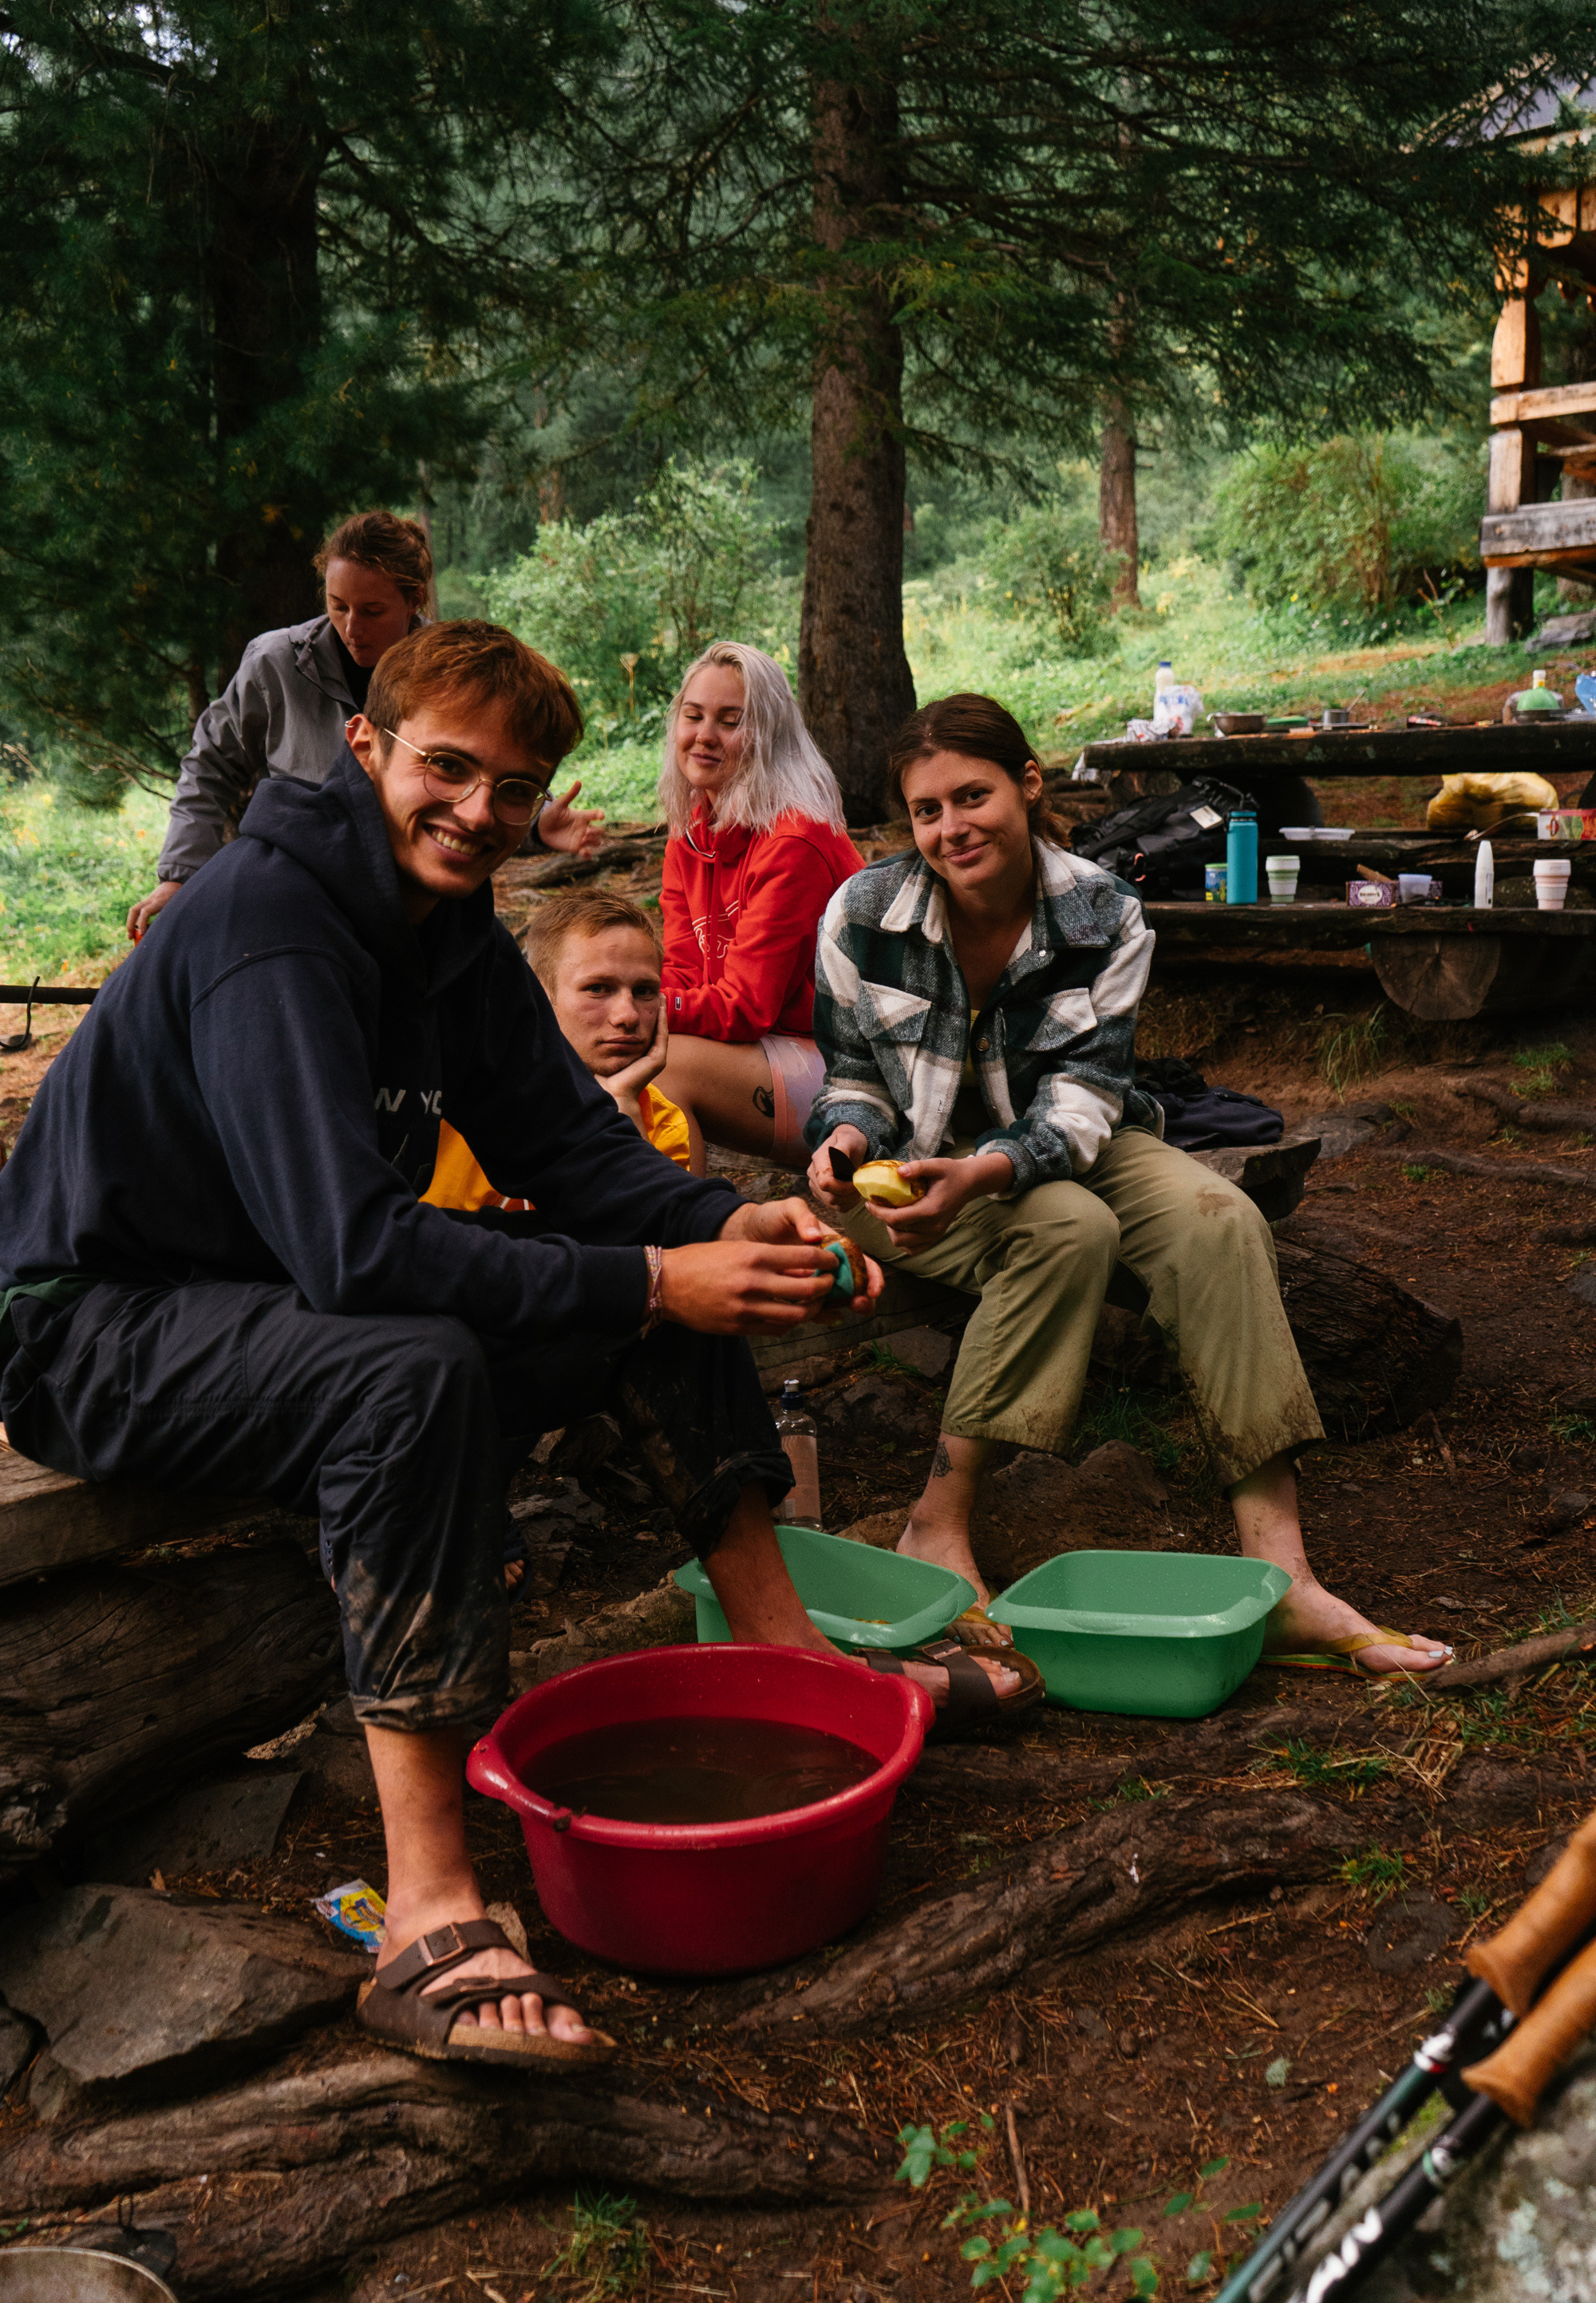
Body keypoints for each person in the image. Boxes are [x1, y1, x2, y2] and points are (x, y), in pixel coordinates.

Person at [0, 622, 1013, 2076]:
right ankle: (424, 1914)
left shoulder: (446, 933)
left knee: (645, 1272)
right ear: (367, 749)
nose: (481, 813)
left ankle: (794, 1668)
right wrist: (656, 1278)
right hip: (93, 1326)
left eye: (516, 788)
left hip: (265, 1303)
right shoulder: (267, 924)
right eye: (447, 770)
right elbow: (352, 1255)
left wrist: (757, 1232)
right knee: (427, 1362)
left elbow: (569, 1151)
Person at [806, 693, 1452, 1685]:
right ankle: (934, 1526)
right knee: (1064, 1229)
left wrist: (985, 1169)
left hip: (1054, 1142)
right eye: (927, 810)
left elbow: (1076, 1104)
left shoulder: (1104, 912)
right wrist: (844, 1141)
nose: (950, 828)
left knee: (1218, 1219)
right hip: (914, 1171)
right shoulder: (859, 914)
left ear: (1027, 785)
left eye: (971, 795)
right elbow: (849, 1076)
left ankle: (1282, 1577)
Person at [126, 511, 602, 940]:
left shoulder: (457, 678)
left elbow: (464, 792)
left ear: (414, 600)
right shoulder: (276, 665)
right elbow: (210, 765)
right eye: (338, 606)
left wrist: (536, 826)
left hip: (412, 909)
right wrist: (181, 874)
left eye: (373, 611)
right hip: (298, 896)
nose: (352, 627)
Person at [649, 642, 863, 1166]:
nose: (704, 736)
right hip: (775, 1049)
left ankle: (693, 1241)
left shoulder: (795, 839)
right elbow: (681, 966)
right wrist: (625, 1009)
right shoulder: (689, 837)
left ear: (767, 735)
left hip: (856, 1071)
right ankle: (638, 1235)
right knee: (616, 1046)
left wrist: (646, 1010)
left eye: (729, 721)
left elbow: (745, 1008)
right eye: (693, 716)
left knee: (663, 1065)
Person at [423, 889, 700, 1209]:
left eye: (644, 991)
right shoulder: (458, 1091)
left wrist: (623, 1104)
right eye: (598, 989)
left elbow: (647, 1243)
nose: (628, 1015)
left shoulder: (659, 1123)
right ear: (537, 994)